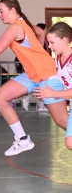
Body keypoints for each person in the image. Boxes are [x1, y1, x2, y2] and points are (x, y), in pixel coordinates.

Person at [0, 0, 68, 156]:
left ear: (13, 10)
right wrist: (37, 49)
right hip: (32, 75)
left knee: (62, 121)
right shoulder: (23, 24)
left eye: (1, 11)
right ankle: (23, 139)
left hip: (46, 74)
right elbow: (40, 31)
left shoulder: (16, 28)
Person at [34, 22, 72, 150]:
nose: (49, 46)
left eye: (52, 42)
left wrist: (54, 94)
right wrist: (43, 92)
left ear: (64, 40)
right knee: (70, 143)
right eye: (48, 42)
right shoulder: (56, 60)